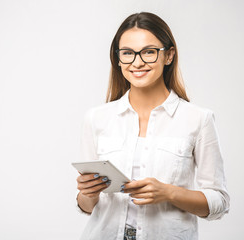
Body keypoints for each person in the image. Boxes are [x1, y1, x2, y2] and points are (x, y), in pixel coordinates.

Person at [75, 12, 230, 240]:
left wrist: (169, 193)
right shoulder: (96, 118)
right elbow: (88, 207)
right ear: (118, 59)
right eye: (127, 53)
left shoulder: (199, 119)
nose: (137, 62)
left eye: (148, 52)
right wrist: (87, 194)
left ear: (168, 56)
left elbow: (219, 203)